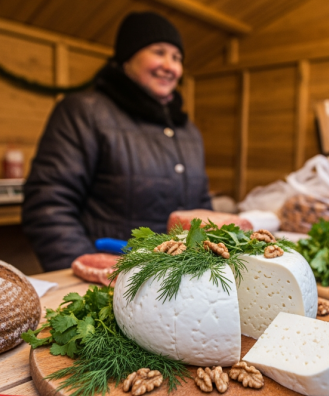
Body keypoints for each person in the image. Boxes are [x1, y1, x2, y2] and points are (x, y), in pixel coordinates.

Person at [22, 12, 212, 271]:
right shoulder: (83, 112)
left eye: (177, 57)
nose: (171, 66)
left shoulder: (187, 130)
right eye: (159, 52)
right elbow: (48, 205)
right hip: (111, 279)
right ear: (127, 58)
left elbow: (201, 208)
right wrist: (90, 274)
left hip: (178, 280)